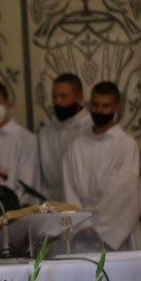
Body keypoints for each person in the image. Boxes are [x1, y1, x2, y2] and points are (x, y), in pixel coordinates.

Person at [62, 81, 141, 251]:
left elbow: (125, 192)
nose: (99, 111)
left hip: (116, 235)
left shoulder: (126, 145)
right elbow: (69, 188)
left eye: (105, 106)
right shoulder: (76, 146)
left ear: (116, 107)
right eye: (95, 105)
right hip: (82, 234)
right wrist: (82, 224)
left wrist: (100, 228)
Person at [0, 80, 40, 210]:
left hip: (17, 213)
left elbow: (28, 183)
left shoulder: (26, 139)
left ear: (7, 103)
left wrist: (7, 209)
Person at [37, 73, 93, 201]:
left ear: (79, 97)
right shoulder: (45, 133)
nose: (57, 101)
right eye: (54, 97)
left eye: (63, 96)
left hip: (84, 202)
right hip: (52, 205)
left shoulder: (91, 129)